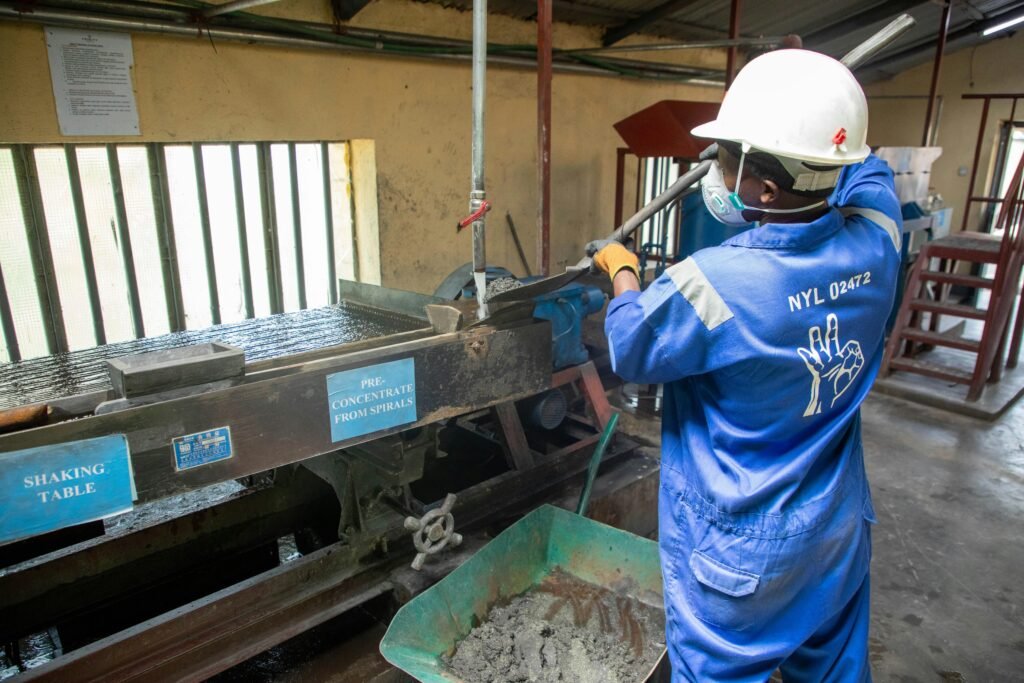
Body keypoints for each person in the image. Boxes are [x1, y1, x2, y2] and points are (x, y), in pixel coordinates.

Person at [589, 49, 902, 681]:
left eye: (726, 158)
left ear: (763, 186)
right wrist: (825, 115)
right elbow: (870, 170)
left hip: (743, 557)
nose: (715, 171)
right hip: (835, 532)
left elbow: (630, 346)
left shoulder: (717, 282)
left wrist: (622, 270)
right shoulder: (879, 239)